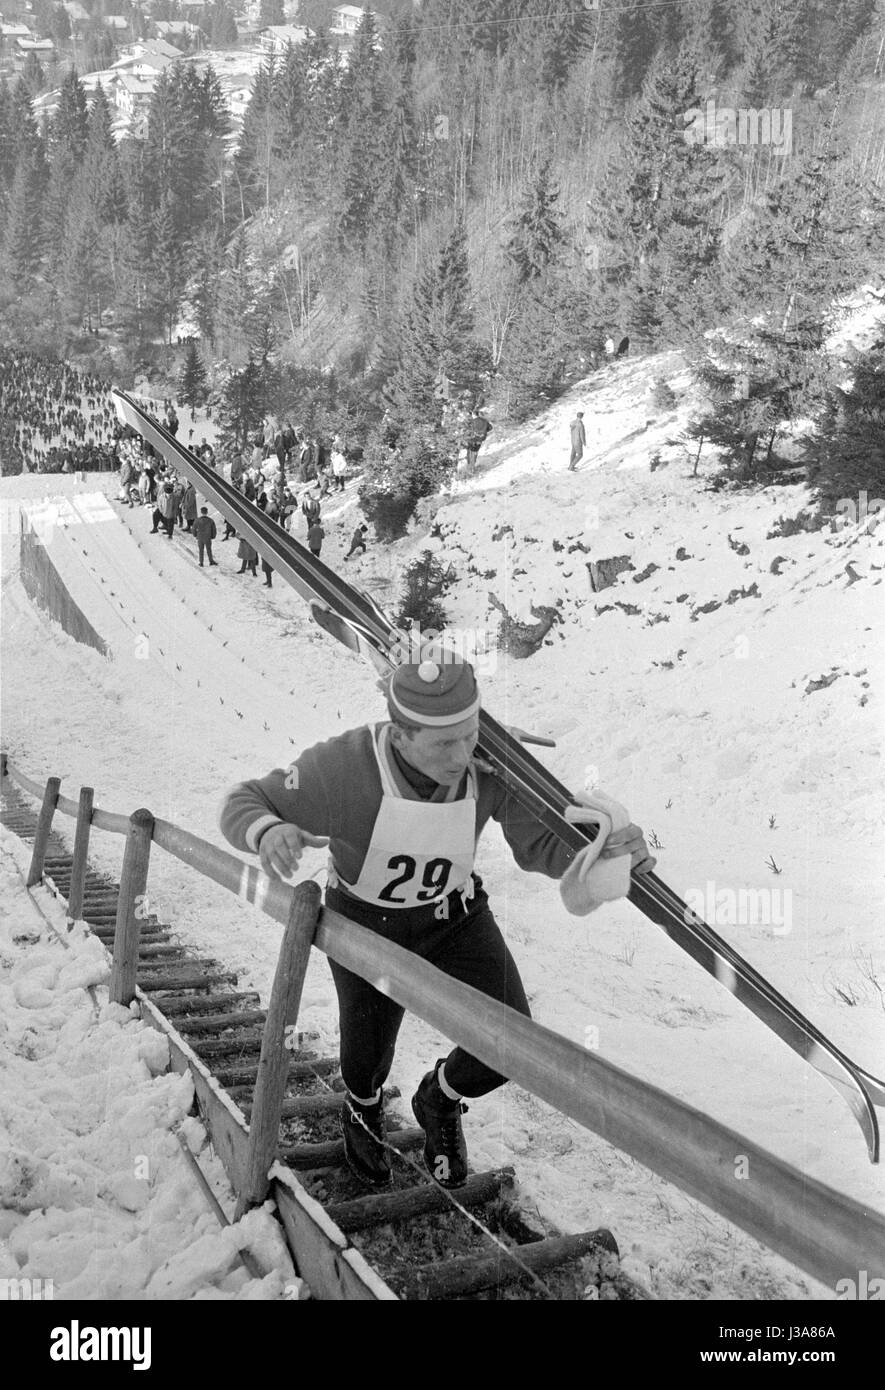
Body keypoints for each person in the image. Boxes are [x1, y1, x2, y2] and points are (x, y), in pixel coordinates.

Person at [218, 654, 655, 1189]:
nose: (461, 756)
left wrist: (603, 855)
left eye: (468, 736)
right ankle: (362, 1109)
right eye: (442, 744)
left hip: (454, 917)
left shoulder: (487, 762)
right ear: (399, 735)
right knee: (365, 1054)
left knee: (509, 1042)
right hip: (366, 922)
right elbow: (246, 799)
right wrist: (266, 831)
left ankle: (439, 1100)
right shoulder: (344, 766)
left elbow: (541, 845)